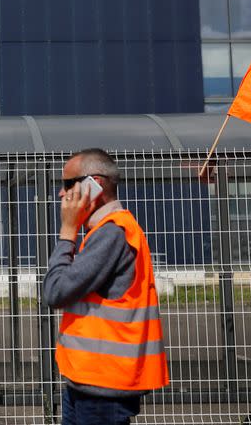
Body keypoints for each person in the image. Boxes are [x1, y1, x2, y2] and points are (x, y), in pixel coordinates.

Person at [43, 148, 169, 425]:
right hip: (90, 382)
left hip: (103, 387)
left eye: (68, 185)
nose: (62, 194)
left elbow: (56, 291)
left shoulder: (112, 233)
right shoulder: (105, 231)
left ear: (95, 184)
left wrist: (67, 233)